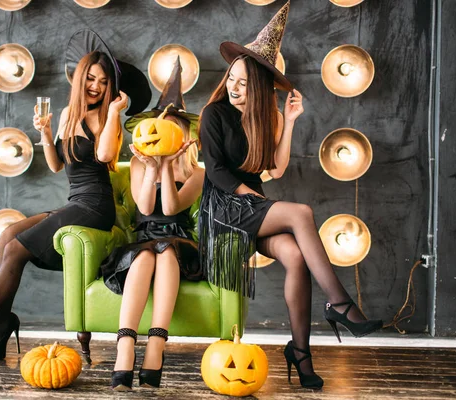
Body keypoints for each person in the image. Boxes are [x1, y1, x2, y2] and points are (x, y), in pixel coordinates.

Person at [198, 1, 382, 389]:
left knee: (296, 255)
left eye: (245, 82)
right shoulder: (214, 114)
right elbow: (215, 171)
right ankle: (341, 305)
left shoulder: (270, 116)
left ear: (260, 87)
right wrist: (257, 202)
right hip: (223, 207)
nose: (234, 86)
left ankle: (301, 354)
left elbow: (276, 169)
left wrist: (291, 121)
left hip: (253, 207)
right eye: (232, 77)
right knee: (300, 212)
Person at [0, 29, 151, 363]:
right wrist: (46, 133)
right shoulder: (68, 113)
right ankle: (4, 324)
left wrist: (113, 114)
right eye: (90, 79)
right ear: (79, 78)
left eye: (103, 82)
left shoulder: (104, 118)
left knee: (19, 248)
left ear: (112, 87)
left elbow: (108, 154)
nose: (95, 86)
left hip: (96, 206)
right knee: (9, 234)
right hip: (75, 202)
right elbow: (55, 166)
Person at [100, 58, 204, 391]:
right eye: (158, 125)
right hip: (145, 238)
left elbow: (172, 207)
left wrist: (168, 167)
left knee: (167, 253)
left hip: (179, 241)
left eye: (171, 126)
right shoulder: (139, 166)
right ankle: (126, 344)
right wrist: (150, 166)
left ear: (184, 133)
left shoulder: (196, 172)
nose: (161, 132)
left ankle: (157, 345)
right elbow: (145, 206)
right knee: (145, 256)